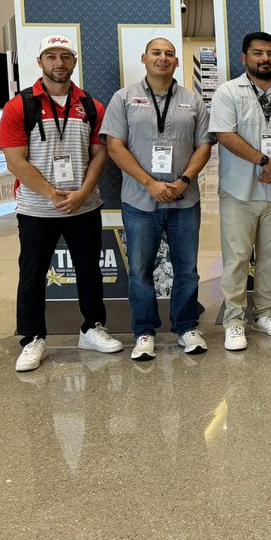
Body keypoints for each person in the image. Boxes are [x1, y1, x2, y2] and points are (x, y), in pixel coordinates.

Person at [0, 34, 122, 372]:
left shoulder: (91, 105)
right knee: (33, 273)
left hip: (84, 205)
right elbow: (15, 161)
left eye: (65, 56)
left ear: (74, 62)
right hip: (37, 208)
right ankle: (33, 338)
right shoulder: (19, 105)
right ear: (40, 62)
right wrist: (52, 194)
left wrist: (82, 192)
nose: (59, 63)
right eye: (51, 56)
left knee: (88, 270)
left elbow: (100, 154)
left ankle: (92, 328)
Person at [103, 38, 213, 361]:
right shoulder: (123, 99)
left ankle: (186, 327)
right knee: (139, 270)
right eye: (156, 53)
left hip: (184, 199)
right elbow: (114, 146)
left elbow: (203, 146)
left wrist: (184, 181)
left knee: (187, 269)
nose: (162, 58)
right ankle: (144, 332)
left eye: (169, 54)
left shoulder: (193, 101)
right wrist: (149, 182)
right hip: (139, 200)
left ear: (177, 62)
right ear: (144, 59)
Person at [208, 31, 271, 351]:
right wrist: (265, 161)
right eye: (257, 53)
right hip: (239, 191)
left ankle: (265, 313)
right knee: (237, 258)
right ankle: (234, 321)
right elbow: (225, 134)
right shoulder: (228, 92)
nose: (265, 59)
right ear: (244, 58)